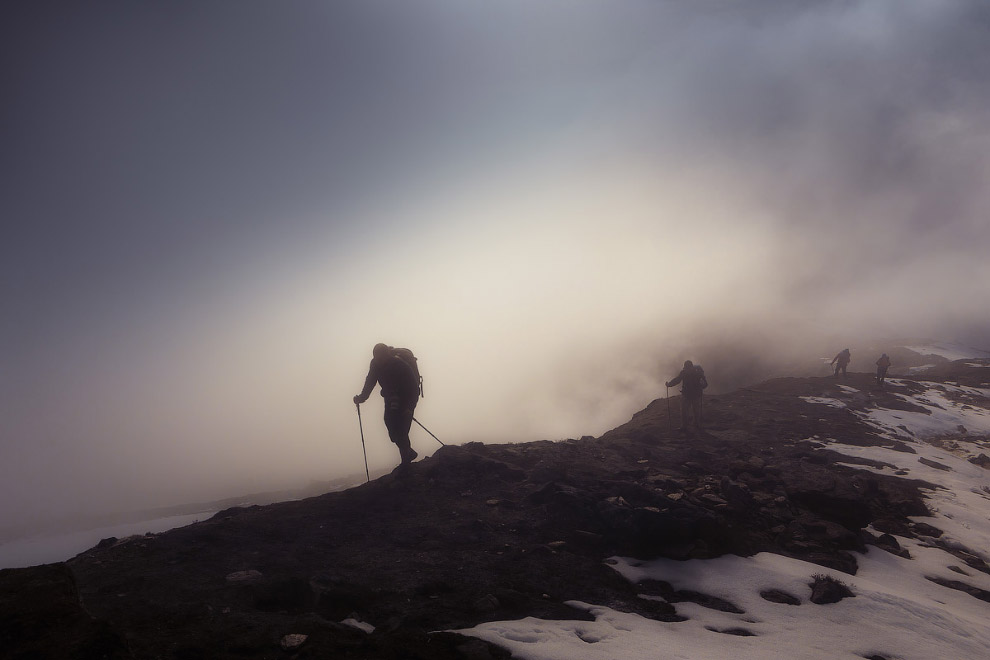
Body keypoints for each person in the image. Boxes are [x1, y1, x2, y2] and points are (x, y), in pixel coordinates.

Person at [353, 343, 421, 466]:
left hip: (406, 399)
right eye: (376, 358)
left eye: (381, 358)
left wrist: (410, 408)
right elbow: (370, 382)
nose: (379, 361)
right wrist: (362, 398)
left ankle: (406, 461)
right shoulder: (375, 365)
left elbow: (414, 388)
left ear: (387, 355)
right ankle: (409, 453)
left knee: (402, 431)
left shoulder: (400, 365)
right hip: (390, 399)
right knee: (392, 431)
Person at [666, 360, 708, 433]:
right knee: (691, 411)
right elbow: (705, 384)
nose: (687, 369)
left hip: (690, 395)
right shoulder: (694, 373)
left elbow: (677, 380)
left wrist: (669, 384)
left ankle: (689, 426)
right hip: (693, 395)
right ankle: (692, 426)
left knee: (689, 411)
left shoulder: (689, 373)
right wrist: (669, 384)